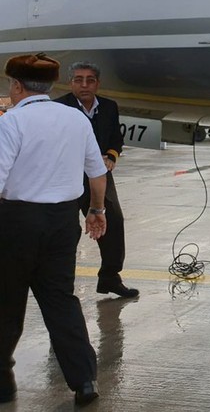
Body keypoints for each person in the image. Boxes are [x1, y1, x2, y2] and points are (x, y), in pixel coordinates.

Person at [0, 53, 108, 407]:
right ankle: (84, 381)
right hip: (63, 223)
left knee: (6, 302)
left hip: (16, 222)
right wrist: (96, 209)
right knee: (61, 300)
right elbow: (97, 171)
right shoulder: (75, 118)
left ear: (16, 86)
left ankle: (3, 382)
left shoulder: (11, 122)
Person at [56, 61, 139, 298]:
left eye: (90, 80)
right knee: (67, 229)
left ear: (97, 83)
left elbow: (116, 137)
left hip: (99, 175)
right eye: (78, 80)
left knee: (113, 222)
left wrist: (112, 156)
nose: (84, 85)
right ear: (70, 82)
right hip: (68, 176)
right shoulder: (60, 107)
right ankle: (62, 282)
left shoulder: (109, 107)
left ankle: (110, 277)